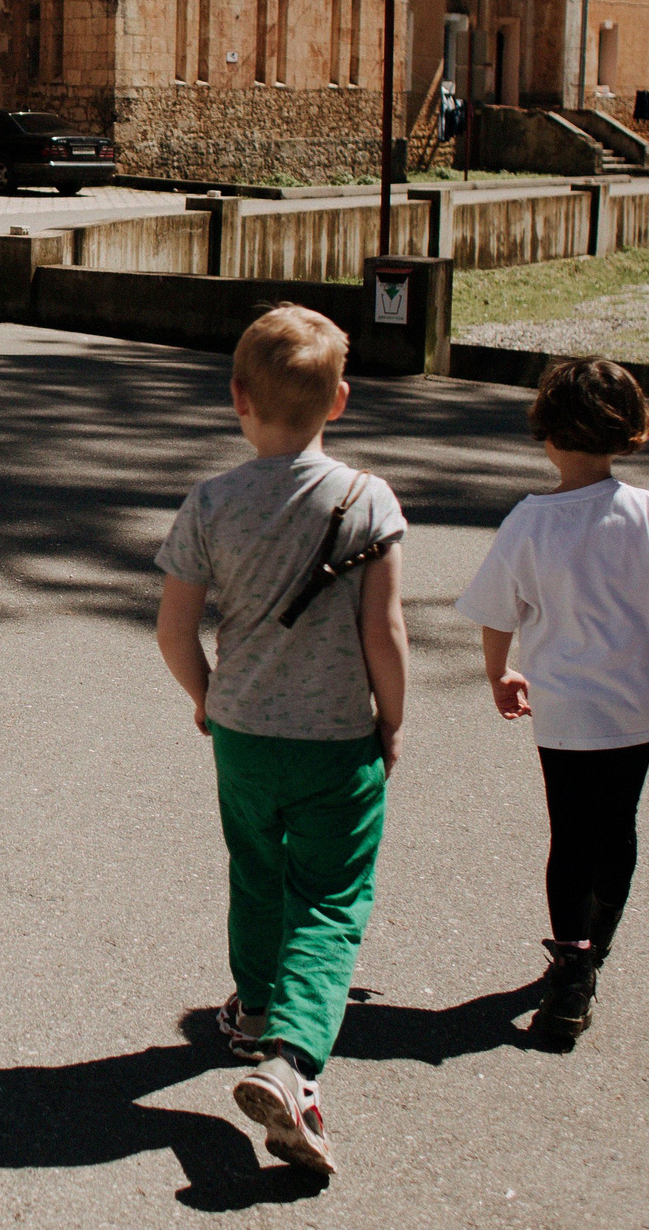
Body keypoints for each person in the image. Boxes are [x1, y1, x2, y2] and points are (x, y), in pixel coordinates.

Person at [155, 305, 409, 1177]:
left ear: (238, 398)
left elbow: (174, 629)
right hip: (337, 738)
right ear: (340, 400)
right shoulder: (365, 499)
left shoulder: (211, 501)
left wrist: (206, 697)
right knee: (331, 900)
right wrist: (392, 719)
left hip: (243, 732)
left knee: (255, 868)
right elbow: (387, 632)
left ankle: (256, 1007)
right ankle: (293, 1062)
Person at [456, 356, 649, 1046]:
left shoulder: (529, 522)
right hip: (638, 704)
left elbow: (497, 613)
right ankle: (596, 945)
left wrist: (498, 673)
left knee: (569, 832)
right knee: (617, 824)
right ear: (630, 430)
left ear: (547, 434)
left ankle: (570, 962)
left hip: (565, 712)